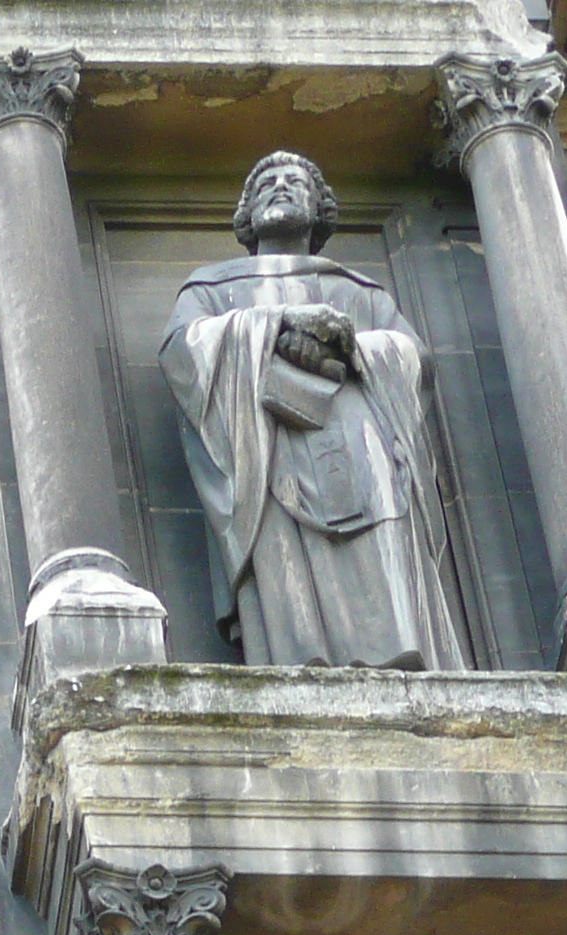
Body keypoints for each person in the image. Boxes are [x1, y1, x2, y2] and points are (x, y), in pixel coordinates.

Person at [164, 151, 471, 670]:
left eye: (295, 182)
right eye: (266, 184)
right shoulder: (211, 288)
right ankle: (301, 660)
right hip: (266, 445)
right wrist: (277, 327)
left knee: (377, 532)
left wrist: (349, 345)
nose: (280, 188)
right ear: (247, 214)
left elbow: (414, 359)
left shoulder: (359, 292)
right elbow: (183, 351)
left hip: (358, 443)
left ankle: (392, 658)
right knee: (283, 548)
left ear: (320, 207)